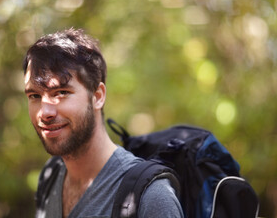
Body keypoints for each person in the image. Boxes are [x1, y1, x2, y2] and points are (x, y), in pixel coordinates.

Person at [23, 28, 183, 218]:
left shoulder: (151, 197)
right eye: (35, 95)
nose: (45, 112)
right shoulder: (50, 176)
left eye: (61, 93)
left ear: (97, 96)